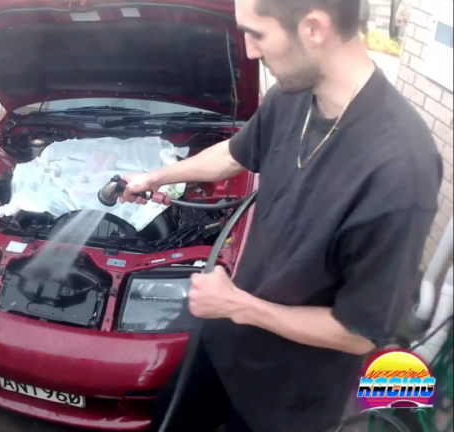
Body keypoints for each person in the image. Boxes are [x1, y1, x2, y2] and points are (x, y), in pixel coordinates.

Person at [119, 0, 444, 431]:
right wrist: (155, 177)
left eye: (257, 33)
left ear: (313, 28)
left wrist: (238, 304)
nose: (250, 52)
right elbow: (232, 156)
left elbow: (359, 331)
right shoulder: (292, 95)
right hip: (223, 344)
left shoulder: (401, 170)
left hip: (284, 400)